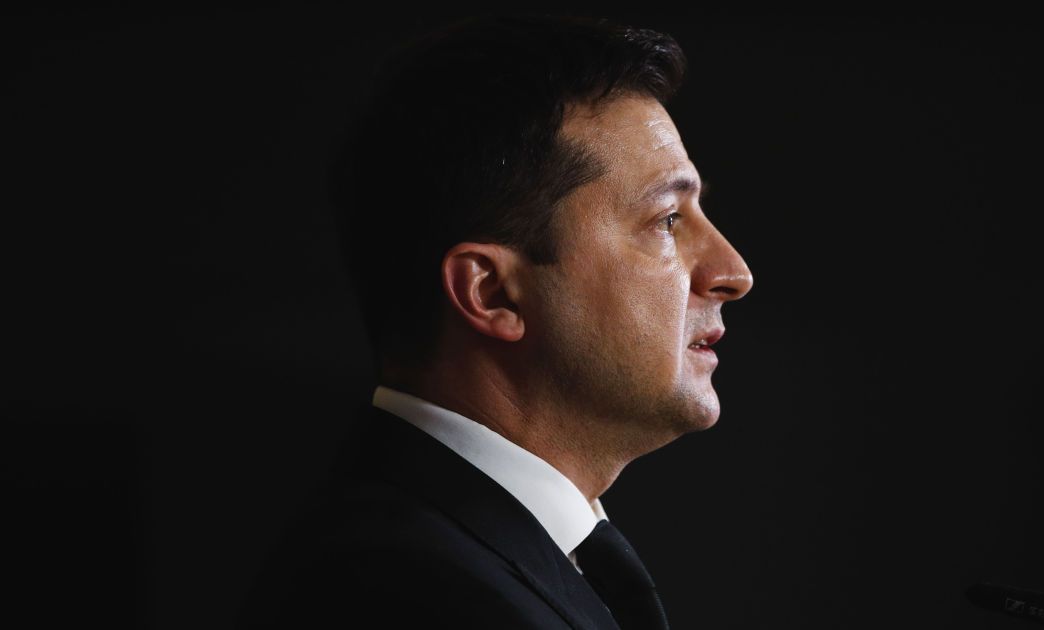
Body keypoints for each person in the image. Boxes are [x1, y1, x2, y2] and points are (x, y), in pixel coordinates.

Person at [238, 14, 753, 629]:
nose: (733, 272)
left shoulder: (466, 559)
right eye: (667, 220)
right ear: (492, 293)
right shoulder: (409, 597)